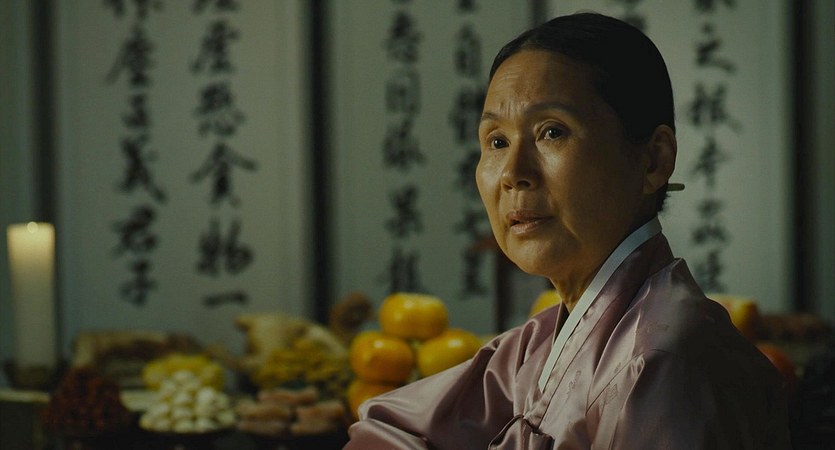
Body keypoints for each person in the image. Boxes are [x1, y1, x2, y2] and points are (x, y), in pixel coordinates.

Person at [344, 12, 792, 449]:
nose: (513, 173)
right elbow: (391, 426)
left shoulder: (659, 362)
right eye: (497, 141)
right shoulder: (539, 344)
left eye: (552, 132)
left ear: (654, 160)